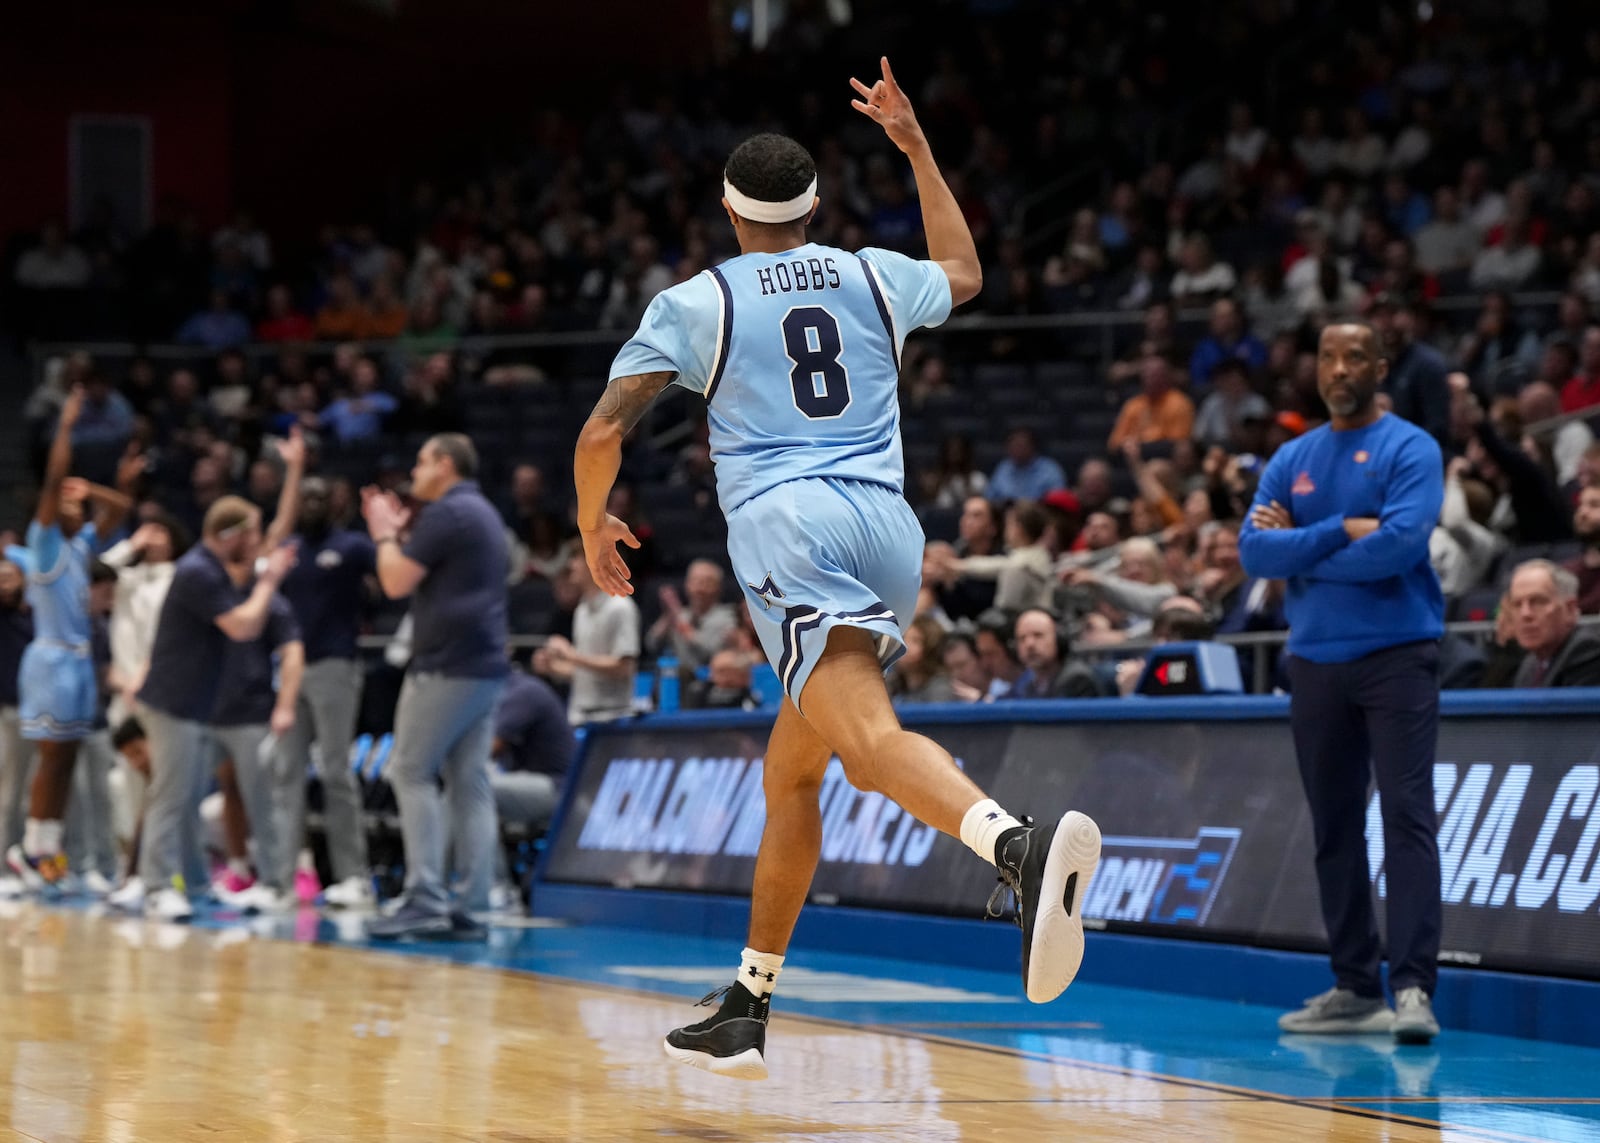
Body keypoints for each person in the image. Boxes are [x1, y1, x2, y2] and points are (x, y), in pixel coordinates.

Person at [575, 64, 1101, 1081]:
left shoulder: (695, 302)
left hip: (791, 527)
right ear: (813, 208)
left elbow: (603, 430)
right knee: (795, 768)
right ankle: (748, 1000)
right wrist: (911, 145)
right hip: (886, 528)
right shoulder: (867, 273)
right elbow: (964, 270)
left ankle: (1013, 846)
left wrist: (591, 525)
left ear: (729, 211)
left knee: (863, 743)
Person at [1240, 321, 1445, 1045]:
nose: (1338, 367)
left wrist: (1301, 543)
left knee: (1407, 818)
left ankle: (1414, 987)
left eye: (1354, 354)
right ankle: (1356, 986)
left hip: (1398, 654)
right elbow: (1254, 550)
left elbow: (1401, 544)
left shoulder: (1410, 446)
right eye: (1327, 354)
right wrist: (1337, 531)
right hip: (1316, 660)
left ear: (1381, 367)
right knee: (1333, 826)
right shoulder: (1292, 455)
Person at [361, 433, 508, 941]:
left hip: (447, 665)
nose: (415, 472)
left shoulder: (447, 513)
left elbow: (395, 582)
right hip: (484, 666)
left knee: (410, 771)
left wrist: (383, 534)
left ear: (445, 465)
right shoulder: (482, 512)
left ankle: (424, 898)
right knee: (469, 782)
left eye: (422, 461)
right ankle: (472, 907)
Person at [134, 496, 297, 921]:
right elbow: (243, 626)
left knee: (184, 796)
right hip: (173, 701)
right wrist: (269, 582)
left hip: (190, 703)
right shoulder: (199, 572)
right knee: (170, 795)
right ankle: (156, 888)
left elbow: (251, 622)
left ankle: (197, 884)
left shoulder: (211, 570)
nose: (259, 543)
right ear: (232, 535)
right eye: (254, 533)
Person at [6, 387, 134, 890]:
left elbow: (120, 507)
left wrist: (92, 490)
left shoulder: (82, 546)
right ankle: (29, 851)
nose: (73, 508)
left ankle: (47, 852)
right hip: (51, 661)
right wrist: (65, 428)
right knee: (51, 758)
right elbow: (53, 481)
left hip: (79, 664)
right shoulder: (43, 544)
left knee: (69, 761)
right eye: (64, 503)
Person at [276, 476, 377, 908]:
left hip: (336, 666)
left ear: (334, 502)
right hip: (290, 670)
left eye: (320, 496)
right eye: (306, 497)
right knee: (285, 776)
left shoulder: (352, 546)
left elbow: (388, 583)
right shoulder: (289, 551)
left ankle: (354, 877)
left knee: (336, 773)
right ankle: (279, 881)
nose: (313, 503)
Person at [208, 579, 303, 913]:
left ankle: (278, 884)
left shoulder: (270, 601)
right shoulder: (210, 590)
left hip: (253, 713)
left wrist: (285, 705)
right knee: (226, 792)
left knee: (263, 799)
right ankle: (235, 870)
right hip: (210, 711)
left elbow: (293, 649)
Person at [534, 552, 641, 725]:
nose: (571, 564)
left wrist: (570, 655)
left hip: (611, 719)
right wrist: (552, 667)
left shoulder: (621, 607)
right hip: (580, 716)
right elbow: (586, 673)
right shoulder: (582, 609)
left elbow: (623, 667)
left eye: (577, 558)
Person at [489, 666, 575, 837]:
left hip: (560, 789)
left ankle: (481, 864)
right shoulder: (497, 693)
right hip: (532, 781)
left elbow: (489, 749)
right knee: (466, 785)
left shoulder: (522, 692)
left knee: (473, 788)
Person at [1506, 561, 1600, 687]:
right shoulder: (1530, 662)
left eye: (1538, 601)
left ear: (1570, 609)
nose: (1525, 614)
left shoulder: (1587, 649)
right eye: (1517, 604)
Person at [0, 558, 35, 883]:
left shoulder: (35, 618)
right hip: (7, 713)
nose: (5, 583)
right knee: (9, 794)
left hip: (31, 711)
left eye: (11, 577)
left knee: (24, 794)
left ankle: (20, 862)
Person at [645, 559, 737, 677]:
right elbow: (652, 644)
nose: (700, 589)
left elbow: (709, 652)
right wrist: (668, 616)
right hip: (678, 681)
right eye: (696, 582)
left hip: (713, 681)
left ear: (718, 588)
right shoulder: (679, 614)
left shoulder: (728, 617)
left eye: (707, 583)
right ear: (687, 585)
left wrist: (680, 620)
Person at [1003, 609, 1105, 699]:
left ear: (1058, 639)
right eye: (1022, 638)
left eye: (1038, 635)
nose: (1029, 644)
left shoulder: (1077, 680)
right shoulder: (1026, 683)